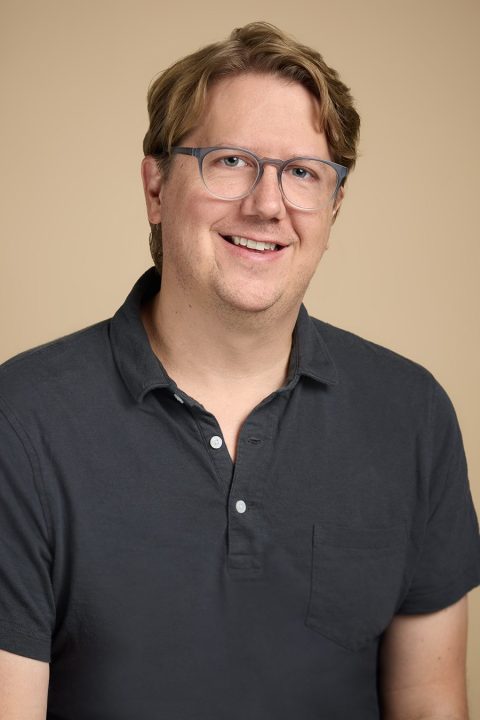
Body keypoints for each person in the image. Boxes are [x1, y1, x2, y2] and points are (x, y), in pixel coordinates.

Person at [0, 21, 479, 720]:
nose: (267, 204)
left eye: (303, 174)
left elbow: (432, 702)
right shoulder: (22, 420)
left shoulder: (412, 414)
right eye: (229, 161)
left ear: (333, 208)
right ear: (157, 188)